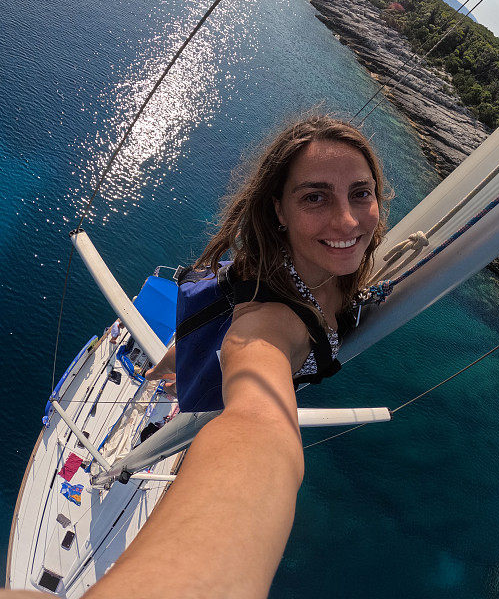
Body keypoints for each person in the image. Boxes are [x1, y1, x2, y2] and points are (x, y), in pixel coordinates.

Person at [40, 114, 386, 598]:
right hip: (227, 352)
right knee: (183, 371)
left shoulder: (339, 263)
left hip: (214, 332)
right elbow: (256, 424)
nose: (348, 220)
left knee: (181, 363)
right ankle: (166, 379)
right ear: (278, 210)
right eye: (315, 196)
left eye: (360, 193)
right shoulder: (269, 325)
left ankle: (168, 374)